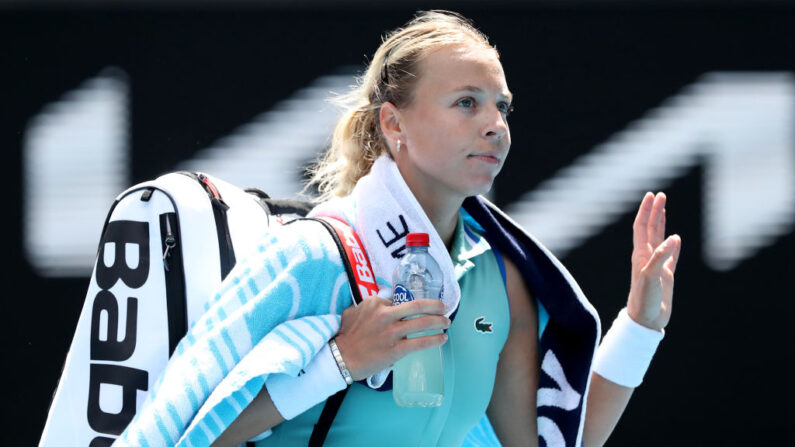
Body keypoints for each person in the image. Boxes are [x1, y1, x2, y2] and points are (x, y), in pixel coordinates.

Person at [117, 10, 681, 447]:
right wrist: (338, 362)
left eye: (502, 108)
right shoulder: (311, 258)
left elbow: (551, 441)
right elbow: (187, 432)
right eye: (467, 103)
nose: (495, 126)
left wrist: (640, 327)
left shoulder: (501, 274)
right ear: (394, 124)